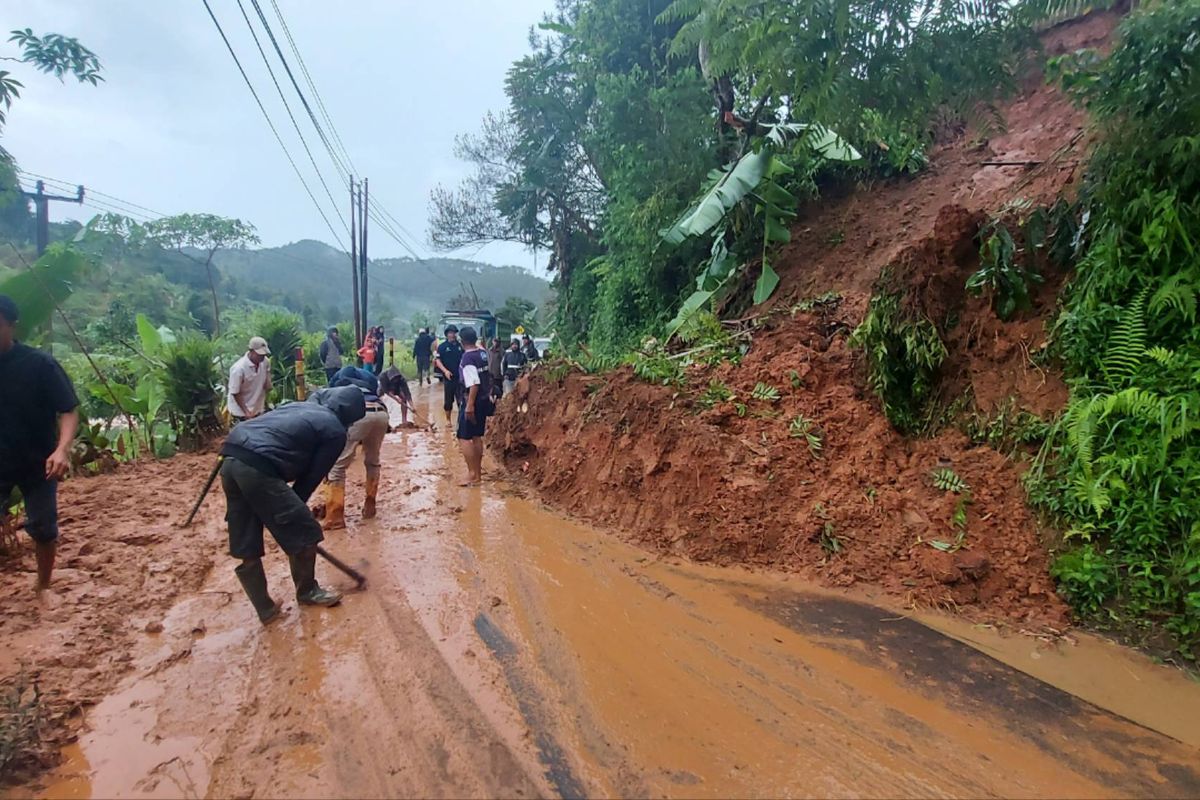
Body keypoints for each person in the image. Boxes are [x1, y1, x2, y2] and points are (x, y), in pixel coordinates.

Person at [220, 386, 365, 623]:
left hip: (230, 456)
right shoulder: (335, 431)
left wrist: (277, 510)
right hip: (259, 467)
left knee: (245, 537)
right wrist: (292, 516)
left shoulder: (298, 405)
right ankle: (307, 591)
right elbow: (310, 479)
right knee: (306, 531)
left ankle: (265, 609)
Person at [0, 295, 79, 596]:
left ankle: (42, 587)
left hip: (38, 462)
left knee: (44, 527)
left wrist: (62, 450)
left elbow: (69, 408)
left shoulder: (40, 365)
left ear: (11, 325)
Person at [321, 365, 391, 530]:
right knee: (373, 461)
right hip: (381, 413)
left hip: (361, 413)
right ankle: (370, 506)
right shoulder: (369, 381)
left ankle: (335, 516)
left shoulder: (337, 387)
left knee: (337, 466)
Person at [455, 326, 493, 487]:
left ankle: (472, 474)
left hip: (473, 400)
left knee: (463, 437)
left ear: (461, 341)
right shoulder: (482, 353)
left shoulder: (467, 359)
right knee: (477, 436)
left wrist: (469, 405)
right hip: (484, 399)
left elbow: (474, 383)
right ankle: (477, 475)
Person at [227, 336, 273, 424]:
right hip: (241, 412)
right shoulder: (238, 369)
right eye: (259, 354)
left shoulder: (265, 362)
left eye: (264, 354)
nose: (262, 357)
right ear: (251, 351)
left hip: (257, 408)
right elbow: (235, 393)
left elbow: (267, 382)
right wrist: (246, 412)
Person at [434, 325, 464, 424]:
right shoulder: (442, 347)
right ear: (447, 334)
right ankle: (448, 420)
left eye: (454, 333)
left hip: (460, 378)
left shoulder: (461, 346)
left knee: (461, 400)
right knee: (448, 400)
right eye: (450, 333)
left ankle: (460, 420)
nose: (452, 335)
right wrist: (445, 371)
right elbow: (438, 361)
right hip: (449, 377)